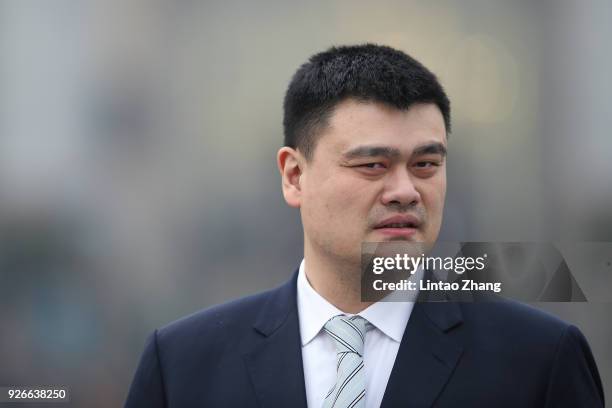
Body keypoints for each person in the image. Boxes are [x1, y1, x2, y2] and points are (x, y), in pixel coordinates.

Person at [125, 44, 604, 407]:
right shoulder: (185, 365)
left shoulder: (538, 360)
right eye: (373, 165)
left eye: (425, 165)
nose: (405, 191)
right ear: (295, 176)